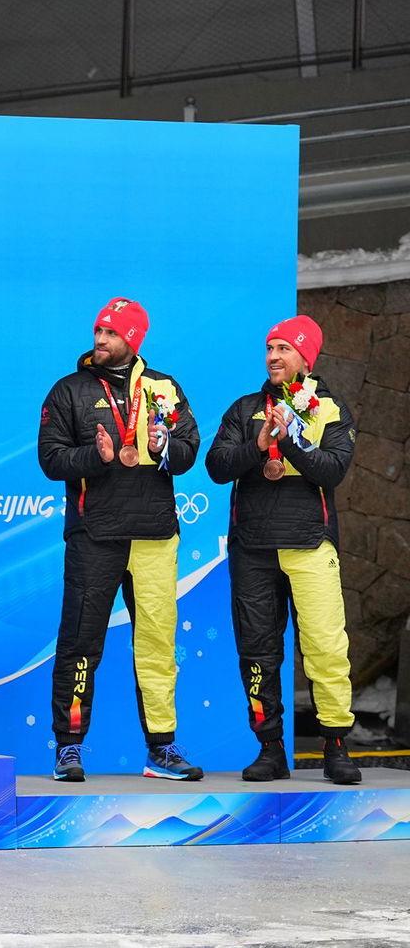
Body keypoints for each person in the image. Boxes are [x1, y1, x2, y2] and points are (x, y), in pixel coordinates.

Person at [37, 298, 202, 782]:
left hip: (154, 535)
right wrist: (97, 456)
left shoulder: (164, 388)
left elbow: (190, 450)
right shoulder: (69, 390)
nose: (100, 339)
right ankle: (69, 747)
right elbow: (50, 459)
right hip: (95, 535)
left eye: (110, 332)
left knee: (157, 645)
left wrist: (163, 446)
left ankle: (162, 749)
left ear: (132, 338)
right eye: (98, 330)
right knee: (80, 643)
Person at [205, 315, 360, 785]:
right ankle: (269, 747)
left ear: (305, 357)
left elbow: (331, 471)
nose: (273, 356)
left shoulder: (330, 409)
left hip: (310, 544)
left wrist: (289, 440)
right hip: (253, 548)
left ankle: (336, 745)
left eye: (284, 349)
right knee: (257, 652)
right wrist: (258, 444)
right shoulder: (245, 409)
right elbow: (216, 466)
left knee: (326, 648)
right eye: (270, 348)